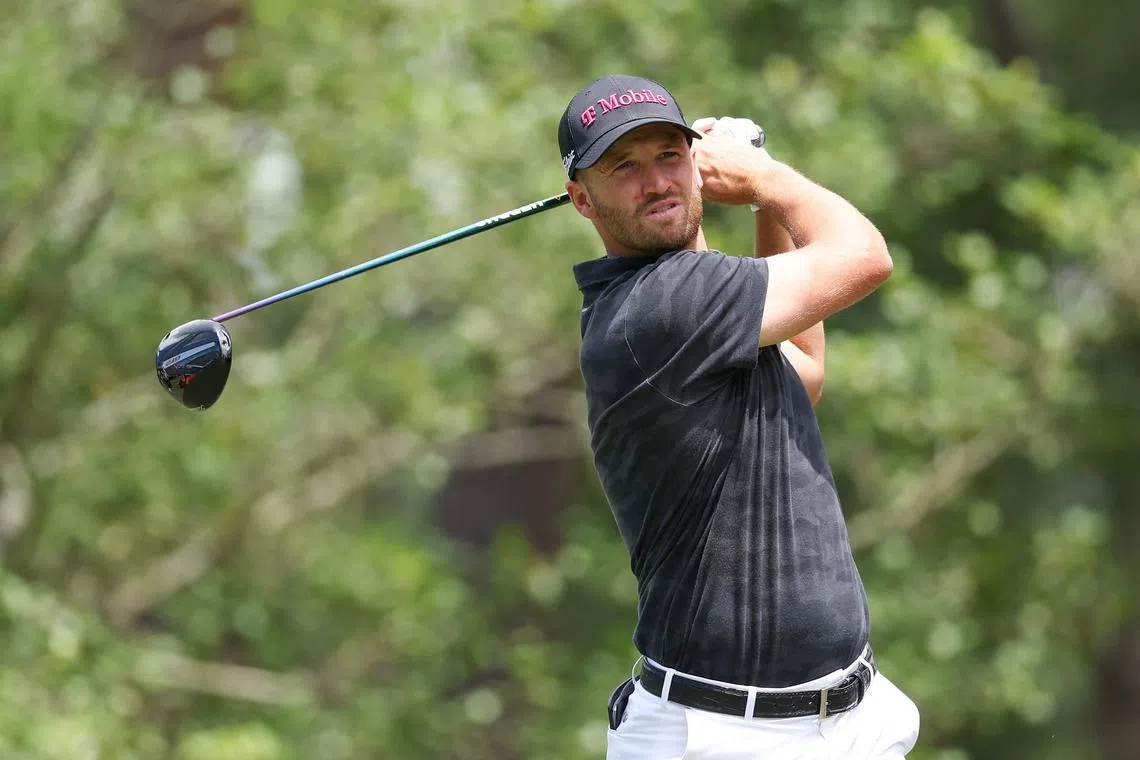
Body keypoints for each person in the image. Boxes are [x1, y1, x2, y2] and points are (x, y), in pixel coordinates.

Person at [557, 74, 921, 759]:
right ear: (583, 199)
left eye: (669, 154)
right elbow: (865, 258)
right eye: (623, 168)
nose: (656, 181)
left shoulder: (705, 312)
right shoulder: (661, 306)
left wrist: (762, 207)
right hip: (720, 737)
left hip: (847, 721)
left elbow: (803, 371)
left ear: (696, 162)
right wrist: (766, 177)